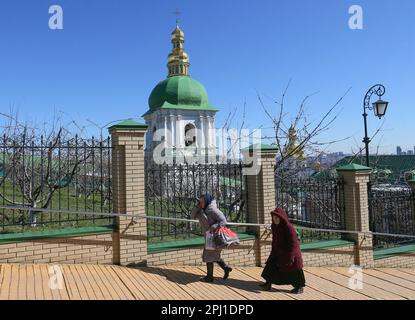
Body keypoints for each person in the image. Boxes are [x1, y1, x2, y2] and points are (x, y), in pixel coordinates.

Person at [260, 208, 306, 294]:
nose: (275, 220)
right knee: (270, 266)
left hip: (290, 253)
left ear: (282, 218)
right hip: (278, 252)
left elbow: (294, 244)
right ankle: (268, 284)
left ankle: (299, 287)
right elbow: (275, 240)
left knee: (294, 271)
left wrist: (291, 256)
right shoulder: (274, 226)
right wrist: (273, 251)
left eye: (277, 218)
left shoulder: (288, 227)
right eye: (274, 218)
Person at [191, 193, 233, 283]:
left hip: (215, 236)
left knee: (208, 255)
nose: (201, 203)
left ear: (206, 201)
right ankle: (225, 268)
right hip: (209, 236)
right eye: (200, 201)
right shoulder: (201, 210)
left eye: (202, 201)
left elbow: (223, 221)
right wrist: (196, 206)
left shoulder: (213, 210)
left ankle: (209, 277)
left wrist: (214, 227)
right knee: (212, 255)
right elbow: (192, 216)